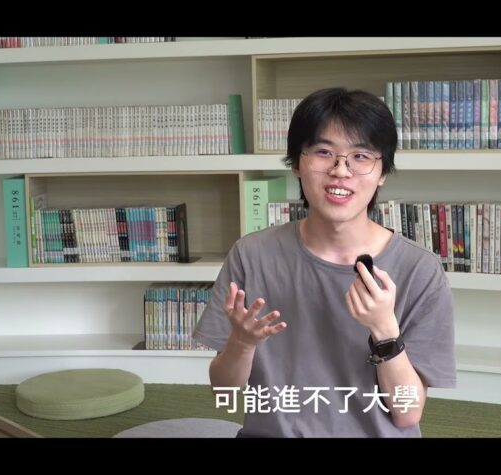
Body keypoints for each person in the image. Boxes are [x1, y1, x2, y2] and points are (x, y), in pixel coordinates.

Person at [195, 87, 455, 437]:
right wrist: (241, 344)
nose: (340, 171)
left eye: (361, 156)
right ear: (296, 164)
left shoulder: (419, 270)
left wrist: (384, 330)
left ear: (382, 172)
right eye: (323, 152)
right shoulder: (251, 255)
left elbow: (407, 414)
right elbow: (223, 391)